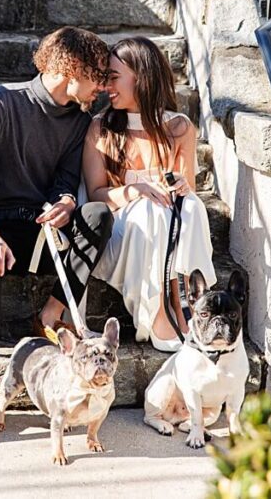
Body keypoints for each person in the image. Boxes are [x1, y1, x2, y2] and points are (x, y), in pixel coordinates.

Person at [0, 26, 115, 447]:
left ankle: (49, 316)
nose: (103, 88)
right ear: (71, 68)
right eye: (98, 77)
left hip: (42, 230)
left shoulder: (79, 121)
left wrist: (66, 201)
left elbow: (65, 181)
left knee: (97, 214)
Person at [83, 36, 217, 353]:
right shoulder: (100, 128)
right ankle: (159, 313)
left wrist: (180, 185)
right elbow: (96, 195)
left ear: (141, 77)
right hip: (123, 230)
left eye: (113, 77)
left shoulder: (179, 128)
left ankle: (180, 302)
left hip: (169, 226)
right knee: (150, 208)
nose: (106, 86)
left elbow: (186, 190)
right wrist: (136, 190)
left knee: (190, 206)